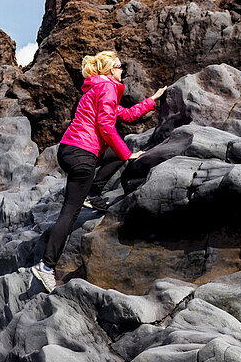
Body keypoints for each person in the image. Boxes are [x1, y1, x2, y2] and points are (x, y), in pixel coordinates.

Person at [30, 50, 166, 291]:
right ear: (109, 70)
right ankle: (47, 266)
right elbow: (105, 125)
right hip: (82, 153)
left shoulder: (97, 88)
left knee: (117, 150)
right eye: (119, 66)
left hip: (70, 149)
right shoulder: (107, 88)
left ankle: (93, 194)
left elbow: (124, 115)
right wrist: (127, 155)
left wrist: (152, 101)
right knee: (70, 212)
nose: (122, 69)